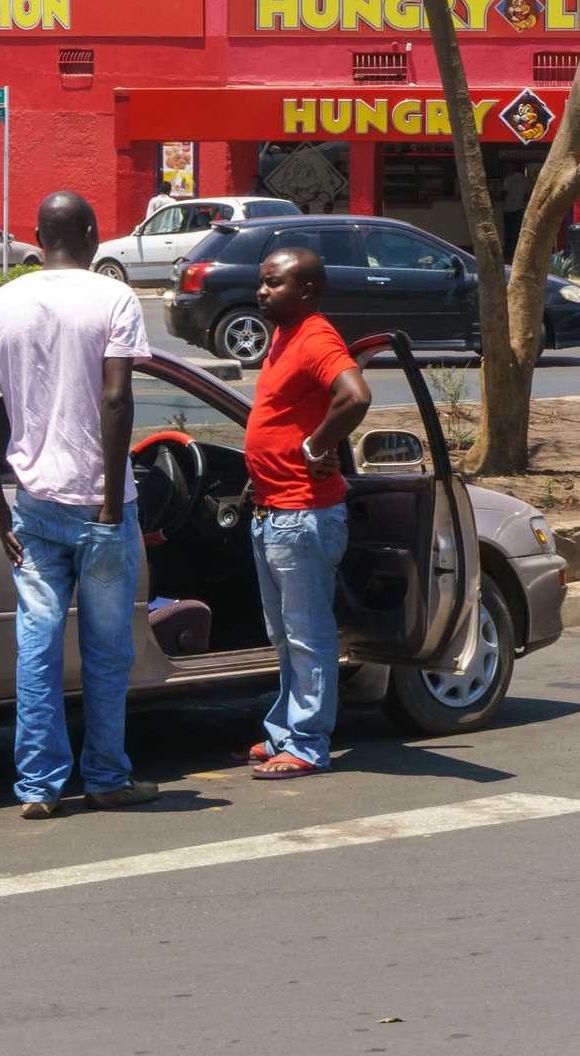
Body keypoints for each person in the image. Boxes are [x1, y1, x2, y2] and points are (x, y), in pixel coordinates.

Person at [0, 190, 159, 819]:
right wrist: (108, 500)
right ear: (93, 233)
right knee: (107, 650)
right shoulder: (114, 298)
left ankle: (38, 787)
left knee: (38, 644)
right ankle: (105, 776)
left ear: (38, 236)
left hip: (33, 505)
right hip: (100, 504)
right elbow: (117, 400)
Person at [244, 247, 372, 779]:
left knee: (307, 634)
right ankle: (284, 731)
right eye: (261, 282)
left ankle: (307, 743)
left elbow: (355, 395)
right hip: (271, 511)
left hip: (301, 514)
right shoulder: (283, 333)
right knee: (283, 634)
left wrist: (317, 448)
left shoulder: (315, 336)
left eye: (273, 283)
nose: (261, 291)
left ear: (306, 291)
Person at [501, 163, 530, 256]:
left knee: (507, 231)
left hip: (507, 209)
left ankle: (508, 250)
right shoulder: (525, 180)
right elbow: (528, 195)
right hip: (518, 209)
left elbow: (503, 193)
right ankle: (515, 251)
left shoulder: (508, 179)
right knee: (516, 231)